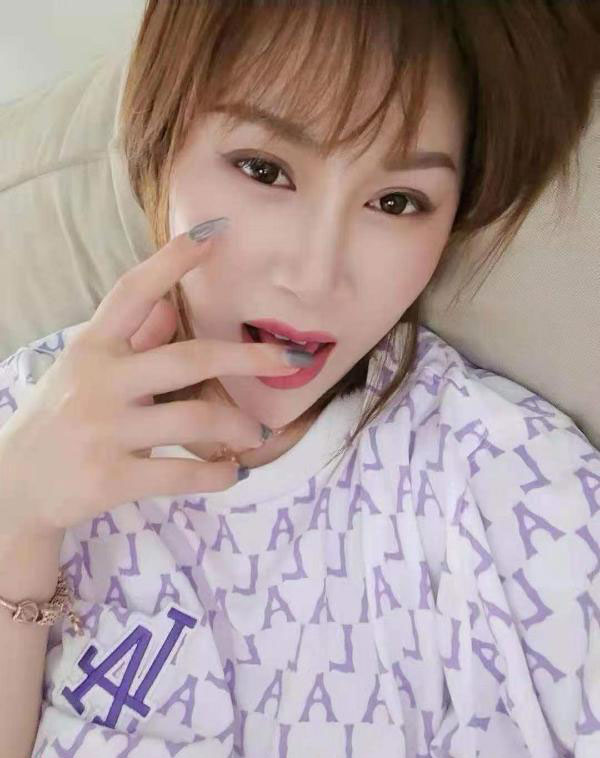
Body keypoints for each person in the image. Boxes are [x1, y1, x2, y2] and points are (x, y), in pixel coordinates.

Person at [0, 2, 599, 756]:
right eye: (265, 169)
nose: (316, 278)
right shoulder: (25, 412)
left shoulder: (514, 487)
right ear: (160, 139)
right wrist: (16, 519)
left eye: (396, 202)